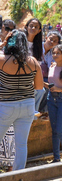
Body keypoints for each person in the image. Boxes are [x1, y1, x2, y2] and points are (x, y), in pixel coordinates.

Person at [0, 31, 43, 171]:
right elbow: (39, 87)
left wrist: (3, 43)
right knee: (21, 144)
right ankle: (17, 176)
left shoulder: (2, 59)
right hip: (27, 105)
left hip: (6, 105)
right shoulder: (33, 62)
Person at [25, 18, 45, 116]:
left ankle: (32, 115)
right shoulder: (20, 41)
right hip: (18, 74)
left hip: (31, 77)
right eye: (31, 25)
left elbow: (37, 66)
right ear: (26, 27)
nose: (33, 28)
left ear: (39, 31)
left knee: (41, 90)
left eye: (36, 27)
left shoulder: (38, 46)